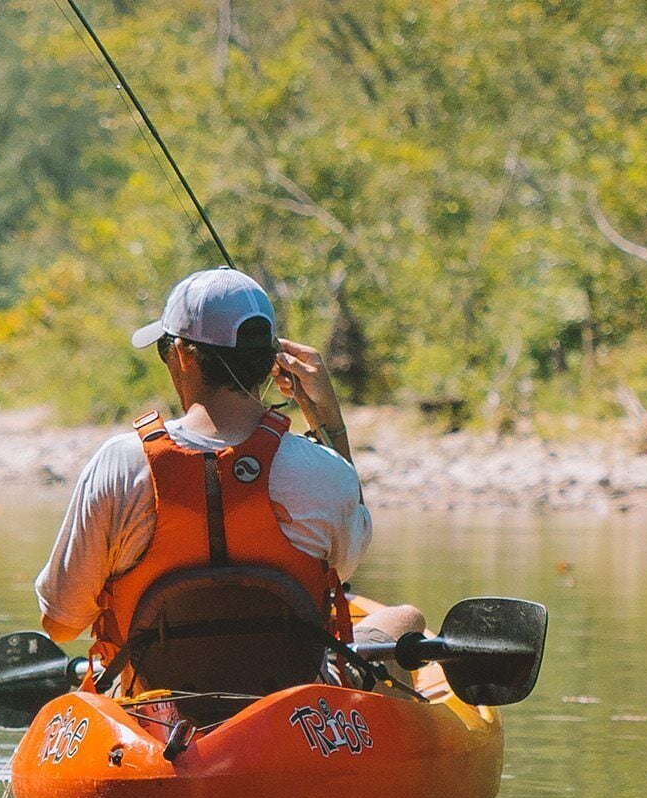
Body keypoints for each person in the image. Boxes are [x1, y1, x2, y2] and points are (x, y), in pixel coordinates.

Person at [34, 266, 423, 695]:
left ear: (181, 355)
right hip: (290, 704)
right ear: (270, 361)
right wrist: (329, 423)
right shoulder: (324, 471)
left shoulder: (118, 464)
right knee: (404, 619)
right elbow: (344, 567)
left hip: (150, 704)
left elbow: (61, 623)